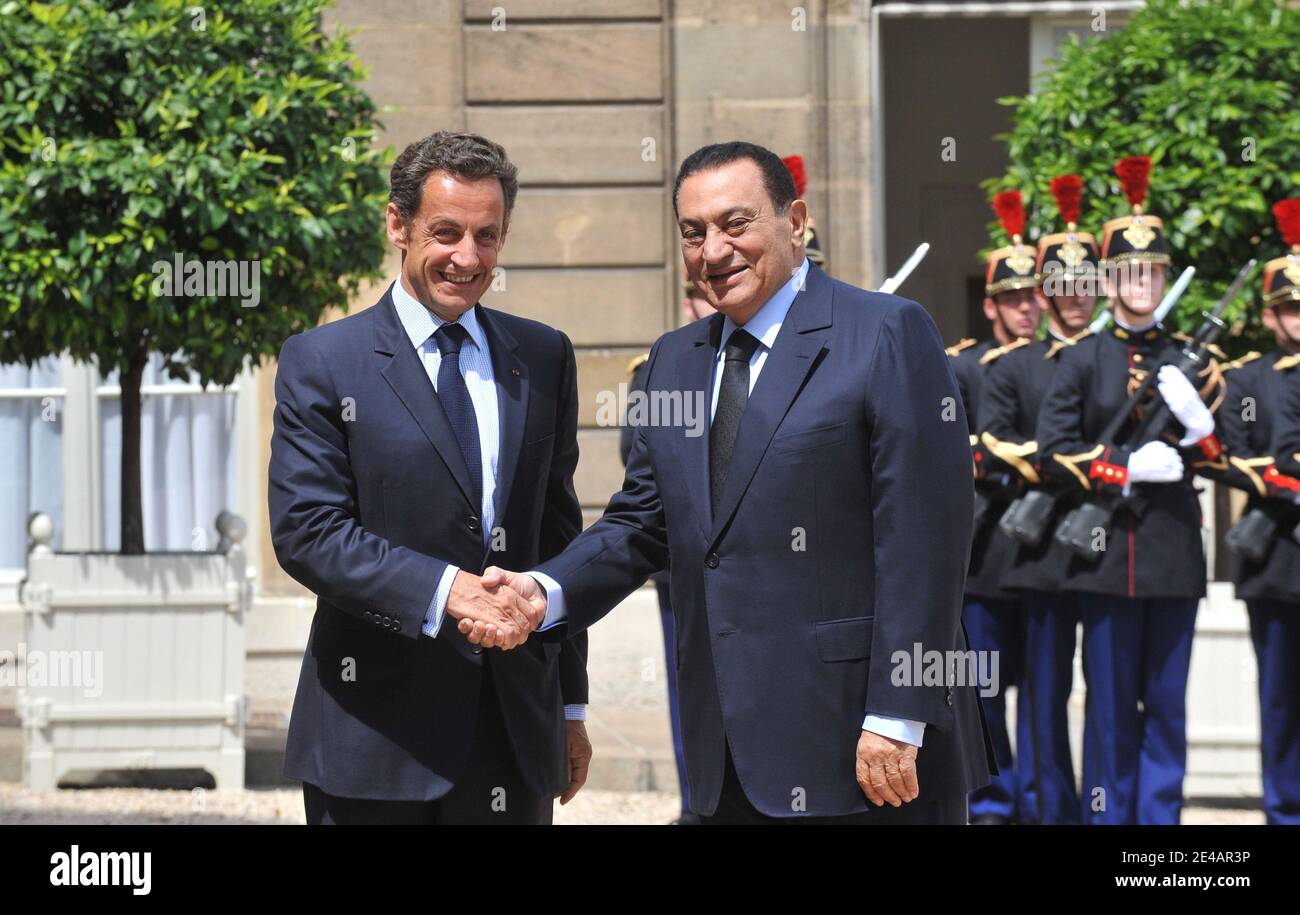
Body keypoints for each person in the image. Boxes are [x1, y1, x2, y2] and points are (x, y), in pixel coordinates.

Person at [477, 140, 993, 824]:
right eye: (694, 233)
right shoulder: (675, 361)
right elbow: (641, 521)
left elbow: (926, 540)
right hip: (724, 755)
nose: (714, 250)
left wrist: (898, 712)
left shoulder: (886, 333)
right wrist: (543, 592)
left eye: (735, 223)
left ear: (795, 220)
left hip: (866, 749)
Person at [268, 131, 591, 825]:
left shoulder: (543, 356)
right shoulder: (323, 361)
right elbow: (309, 532)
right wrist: (449, 592)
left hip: (513, 737)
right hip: (373, 739)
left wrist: (568, 704)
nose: (467, 257)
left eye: (487, 235)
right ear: (397, 225)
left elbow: (557, 538)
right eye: (446, 232)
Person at [1037, 156, 1226, 825]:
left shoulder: (1193, 361)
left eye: (1151, 271)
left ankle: (1159, 833)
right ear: (1108, 279)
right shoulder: (1082, 359)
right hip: (1106, 557)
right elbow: (1055, 451)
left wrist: (1203, 424)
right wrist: (1122, 464)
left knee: (1167, 708)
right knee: (1112, 709)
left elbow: (1222, 458)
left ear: (1164, 278)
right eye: (1126, 271)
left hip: (1173, 556)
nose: (1140, 282)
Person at [978, 174, 1100, 824]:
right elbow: (999, 444)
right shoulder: (1011, 367)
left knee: (1089, 693)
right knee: (1023, 692)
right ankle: (1026, 806)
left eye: (1086, 286)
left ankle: (1065, 807)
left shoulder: (1110, 359)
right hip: (1019, 553)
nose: (1071, 298)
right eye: (1062, 286)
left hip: (1094, 552)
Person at [946, 189, 1042, 825]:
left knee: (1043, 693)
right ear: (990, 305)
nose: (1025, 307)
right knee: (982, 694)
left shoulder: (1059, 364)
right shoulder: (963, 366)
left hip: (1041, 553)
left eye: (1032, 294)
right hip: (981, 560)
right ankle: (994, 804)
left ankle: (1037, 804)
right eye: (1011, 297)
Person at [619, 273, 717, 825]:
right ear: (687, 301)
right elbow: (641, 470)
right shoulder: (659, 370)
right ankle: (695, 800)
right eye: (704, 294)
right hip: (681, 566)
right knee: (692, 685)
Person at [1216, 198, 1300, 825]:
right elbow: (1232, 457)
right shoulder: (1249, 380)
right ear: (1271, 315)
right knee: (1281, 698)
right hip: (1277, 562)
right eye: (1288, 308)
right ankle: (1285, 808)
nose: (1297, 318)